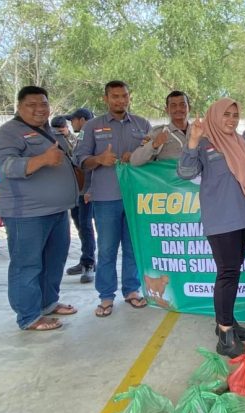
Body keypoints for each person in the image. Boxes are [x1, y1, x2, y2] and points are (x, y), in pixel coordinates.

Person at [177, 98, 245, 358]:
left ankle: (228, 322)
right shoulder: (203, 143)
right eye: (226, 114)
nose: (231, 119)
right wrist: (191, 142)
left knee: (233, 272)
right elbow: (185, 172)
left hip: (244, 216)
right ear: (215, 115)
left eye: (235, 114)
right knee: (227, 273)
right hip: (221, 219)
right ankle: (225, 336)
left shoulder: (242, 141)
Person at [0, 86, 79, 330]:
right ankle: (28, 316)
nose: (40, 109)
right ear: (19, 106)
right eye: (32, 104)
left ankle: (48, 303)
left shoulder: (52, 132)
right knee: (27, 264)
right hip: (26, 214)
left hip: (57, 211)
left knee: (54, 259)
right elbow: (5, 166)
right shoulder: (5, 134)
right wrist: (42, 160)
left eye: (44, 104)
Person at [75, 80, 151, 317]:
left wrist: (140, 155)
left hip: (136, 198)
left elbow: (152, 159)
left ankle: (132, 290)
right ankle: (106, 296)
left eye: (124, 96)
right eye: (115, 96)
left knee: (133, 247)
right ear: (106, 99)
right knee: (107, 249)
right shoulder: (92, 126)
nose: (120, 100)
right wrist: (99, 160)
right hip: (106, 198)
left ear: (130, 97)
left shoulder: (142, 124)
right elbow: (79, 159)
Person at [64, 108, 96, 283]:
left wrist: (90, 190)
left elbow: (90, 165)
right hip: (78, 190)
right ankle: (85, 258)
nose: (71, 123)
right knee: (80, 225)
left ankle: (89, 264)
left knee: (86, 226)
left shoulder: (91, 135)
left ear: (82, 119)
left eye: (73, 120)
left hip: (88, 191)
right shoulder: (80, 137)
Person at [131, 90, 190, 166]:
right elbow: (134, 161)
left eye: (182, 105)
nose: (178, 109)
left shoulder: (200, 133)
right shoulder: (158, 132)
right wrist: (154, 145)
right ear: (167, 110)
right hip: (169, 177)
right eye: (173, 106)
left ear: (189, 108)